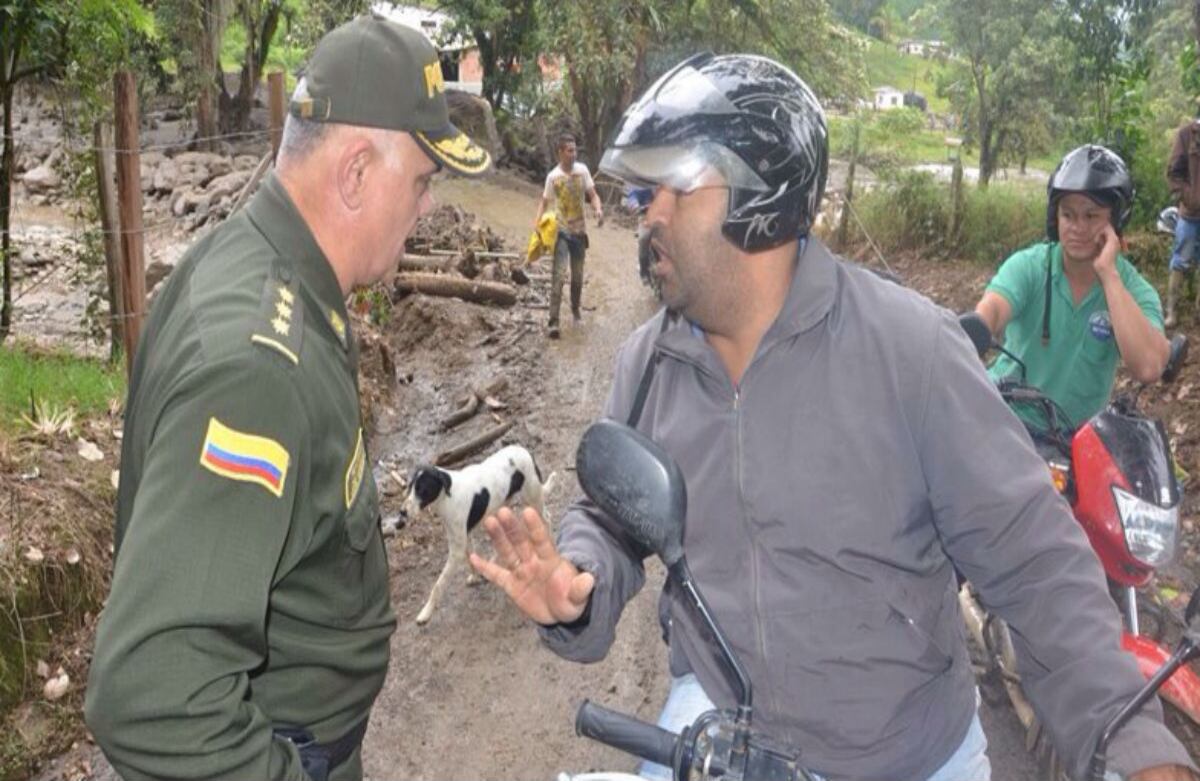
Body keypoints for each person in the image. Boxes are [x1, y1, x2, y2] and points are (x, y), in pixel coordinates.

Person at [469, 53, 1196, 781]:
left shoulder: (911, 352)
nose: (645, 214)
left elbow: (1036, 566)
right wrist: (578, 582)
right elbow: (613, 514)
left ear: (760, 198)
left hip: (907, 752)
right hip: (720, 723)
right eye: (642, 193)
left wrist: (1136, 750)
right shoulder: (647, 363)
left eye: (669, 190)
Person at [83, 15, 489, 781]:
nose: (428, 207)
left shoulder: (267, 267)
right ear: (357, 172)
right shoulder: (259, 368)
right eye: (424, 181)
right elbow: (151, 689)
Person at [974, 144, 1168, 431]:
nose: (1078, 227)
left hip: (1073, 439)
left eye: (1091, 216)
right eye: (1068, 215)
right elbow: (993, 307)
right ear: (1056, 217)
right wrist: (977, 327)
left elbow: (1149, 367)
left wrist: (1108, 274)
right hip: (1004, 418)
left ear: (1115, 221)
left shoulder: (1132, 289)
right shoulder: (1030, 266)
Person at [534, 133, 604, 338]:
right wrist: (536, 225)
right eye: (570, 150)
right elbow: (544, 202)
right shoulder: (552, 177)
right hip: (562, 232)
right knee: (558, 276)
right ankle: (553, 322)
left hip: (580, 233)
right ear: (560, 153)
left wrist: (598, 210)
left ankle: (575, 309)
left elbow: (593, 195)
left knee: (577, 277)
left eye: (575, 150)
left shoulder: (582, 171)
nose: (574, 154)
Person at [1166, 108, 1200, 326]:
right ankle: (1171, 313)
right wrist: (1188, 197)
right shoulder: (1187, 134)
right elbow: (1173, 173)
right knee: (1181, 260)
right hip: (1190, 215)